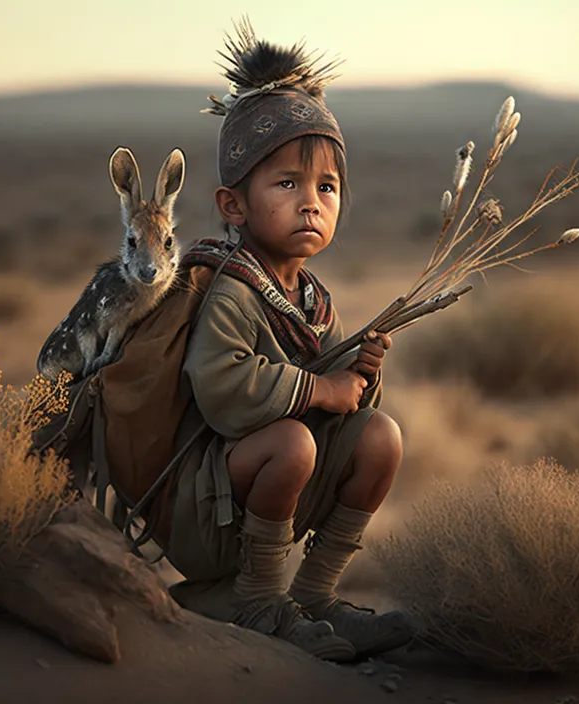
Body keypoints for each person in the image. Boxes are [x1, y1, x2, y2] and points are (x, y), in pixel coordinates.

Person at [163, 20, 411, 662]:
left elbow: (337, 397)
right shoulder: (231, 287)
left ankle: (316, 595)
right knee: (293, 439)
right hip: (207, 508)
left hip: (272, 495)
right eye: (287, 184)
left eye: (326, 187)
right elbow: (222, 391)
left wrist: (357, 376)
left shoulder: (310, 298)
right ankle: (258, 601)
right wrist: (320, 388)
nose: (311, 203)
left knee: (381, 433)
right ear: (234, 204)